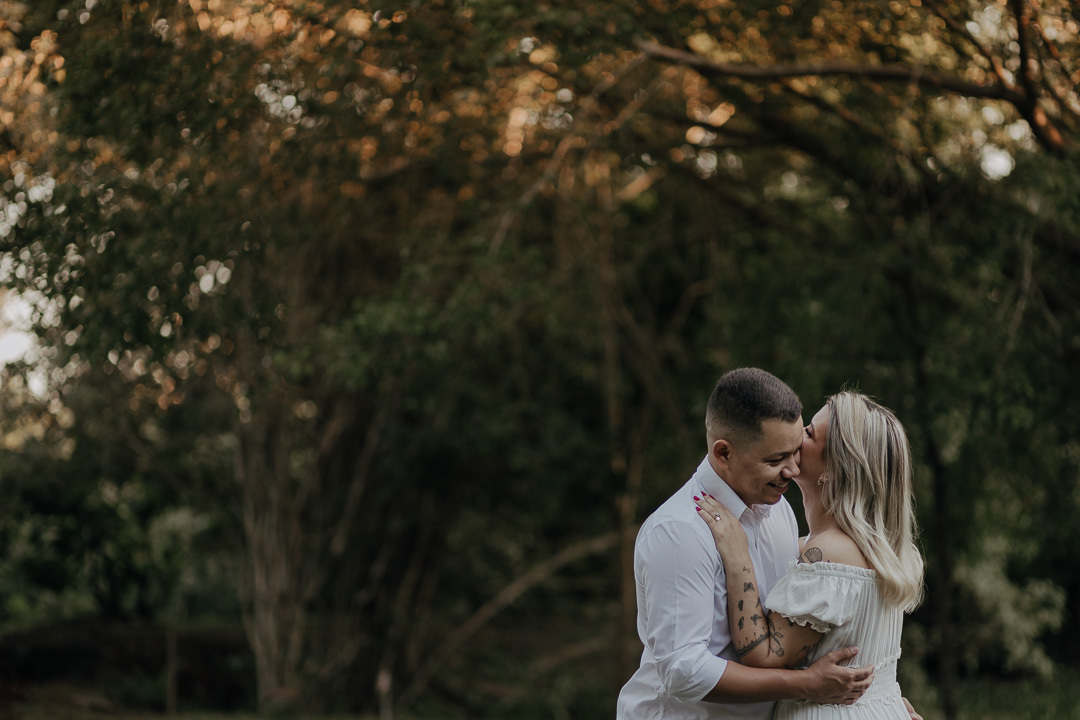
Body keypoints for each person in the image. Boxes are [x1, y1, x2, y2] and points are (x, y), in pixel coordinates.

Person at [616, 368, 876, 720]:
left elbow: (796, 632)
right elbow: (683, 671)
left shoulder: (780, 510)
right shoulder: (678, 532)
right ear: (723, 453)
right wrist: (805, 684)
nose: (793, 468)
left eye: (796, 450)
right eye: (775, 460)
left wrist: (878, 702)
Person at [694, 390, 924, 720]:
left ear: (834, 470)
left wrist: (738, 556)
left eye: (810, 433)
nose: (797, 435)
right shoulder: (881, 549)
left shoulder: (829, 553)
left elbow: (762, 655)